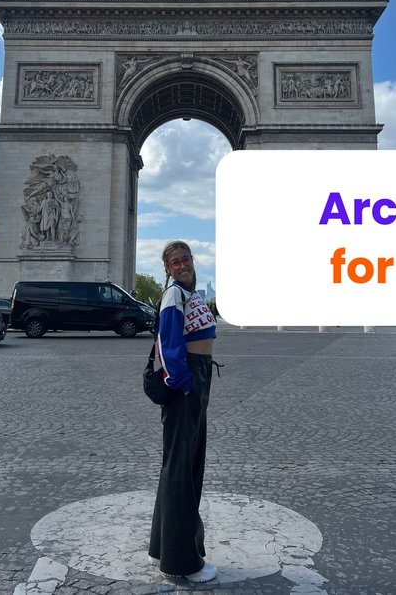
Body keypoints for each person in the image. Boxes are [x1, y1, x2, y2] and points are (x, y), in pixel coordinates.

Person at [148, 240, 218, 583]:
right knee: (182, 471)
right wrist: (185, 382)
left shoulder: (189, 293)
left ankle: (164, 548)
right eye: (175, 261)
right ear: (168, 268)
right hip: (186, 383)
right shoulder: (174, 294)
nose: (182, 264)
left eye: (186, 258)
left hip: (195, 378)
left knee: (179, 467)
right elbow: (169, 341)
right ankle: (182, 562)